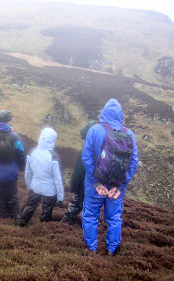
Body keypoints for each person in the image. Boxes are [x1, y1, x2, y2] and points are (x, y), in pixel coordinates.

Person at [82, 99, 138, 256]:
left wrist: (96, 183)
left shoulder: (94, 130)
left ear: (103, 112)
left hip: (95, 186)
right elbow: (133, 163)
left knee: (91, 216)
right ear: (120, 115)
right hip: (116, 187)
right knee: (113, 218)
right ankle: (112, 251)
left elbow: (87, 158)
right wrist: (119, 186)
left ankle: (91, 250)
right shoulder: (129, 134)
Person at [16, 127, 64, 227]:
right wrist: (60, 197)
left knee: (29, 206)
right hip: (50, 190)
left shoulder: (32, 152)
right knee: (47, 211)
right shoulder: (54, 156)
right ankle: (43, 229)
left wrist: (30, 187)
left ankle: (20, 225)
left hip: (35, 186)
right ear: (53, 140)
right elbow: (58, 179)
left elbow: (28, 174)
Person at [61, 120, 97, 225]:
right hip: (97, 185)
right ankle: (88, 229)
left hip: (84, 185)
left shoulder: (87, 149)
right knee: (91, 209)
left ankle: (64, 226)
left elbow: (79, 171)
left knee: (75, 205)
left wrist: (74, 186)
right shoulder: (101, 148)